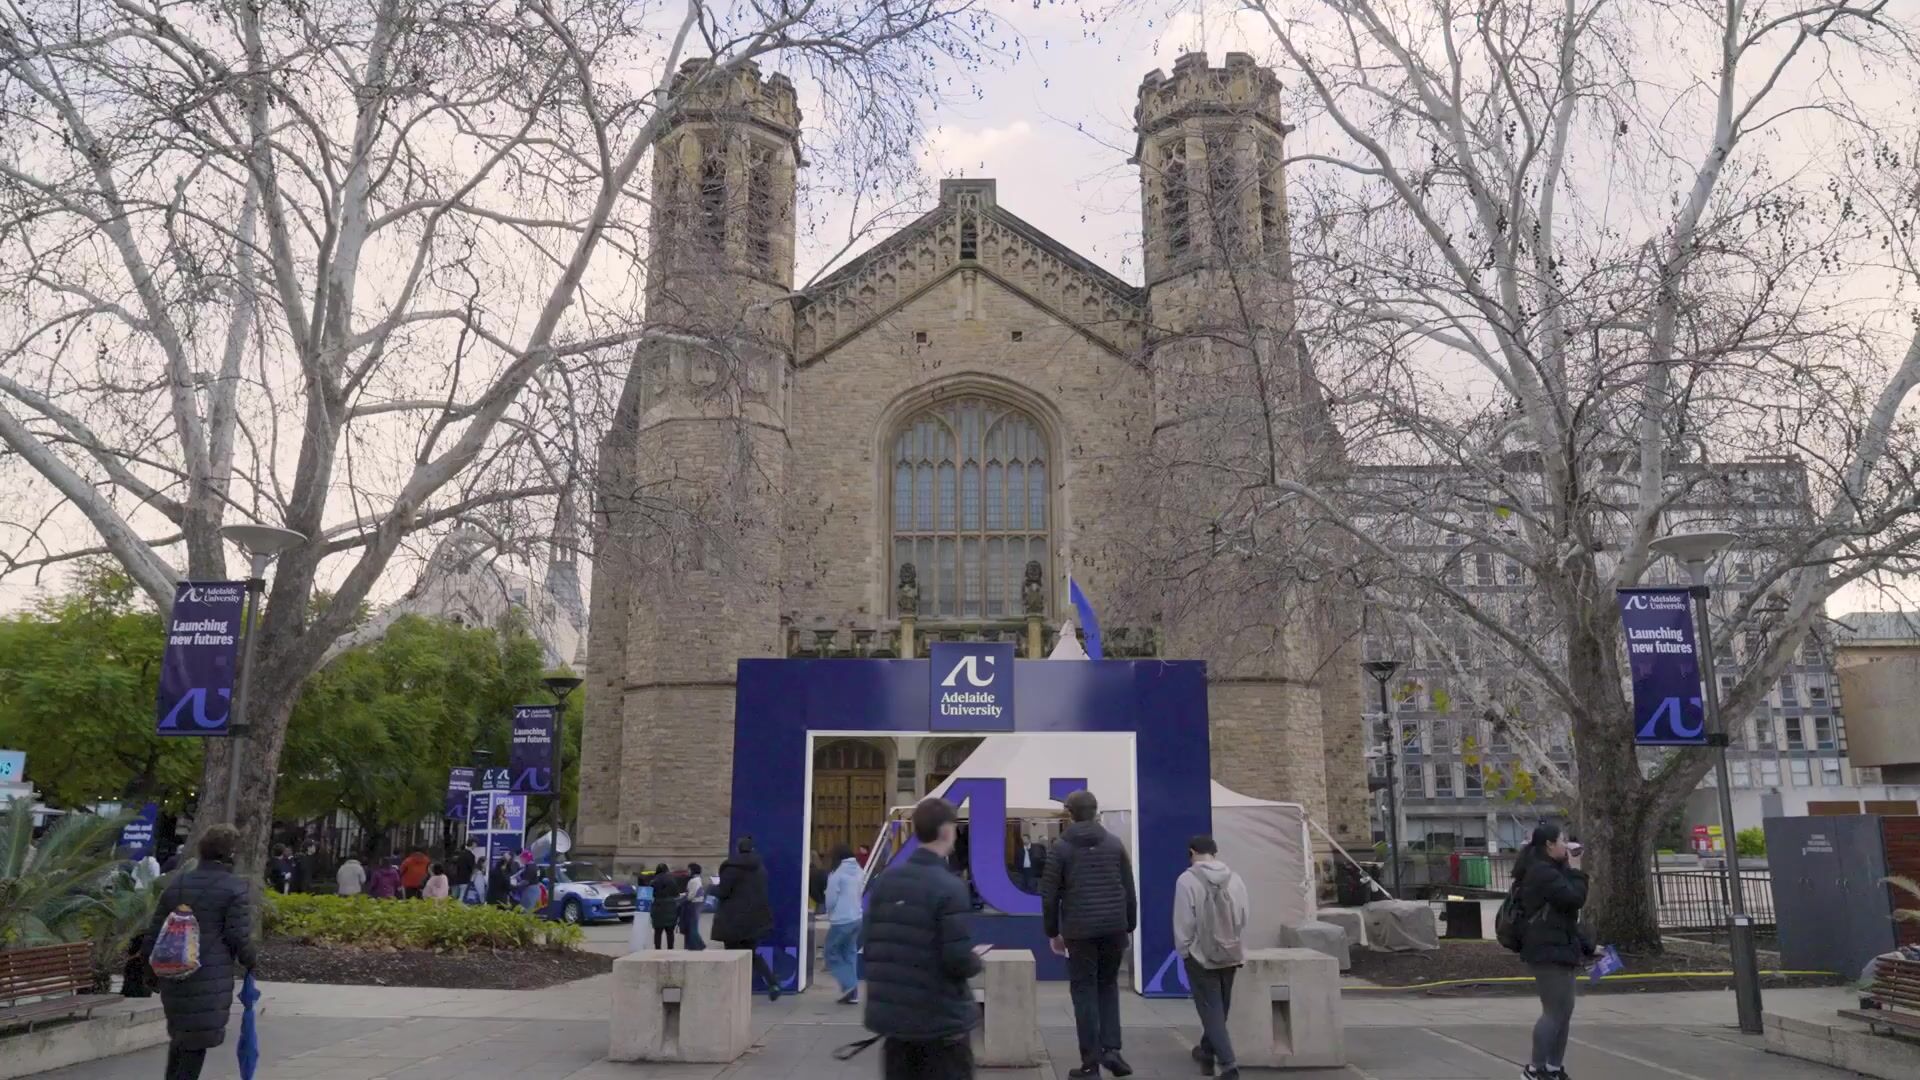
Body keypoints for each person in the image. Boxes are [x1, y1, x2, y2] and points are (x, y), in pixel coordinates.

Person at [862, 797, 981, 1079]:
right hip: (939, 1024)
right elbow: (957, 960)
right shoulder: (949, 887)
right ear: (947, 831)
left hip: (895, 1024)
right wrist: (976, 961)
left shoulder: (886, 882)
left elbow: (870, 944)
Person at [1041, 789, 1138, 1079]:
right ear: (1095, 812)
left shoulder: (1061, 848)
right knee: (1108, 987)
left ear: (1070, 814)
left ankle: (1090, 1063)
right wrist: (1129, 924)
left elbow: (1049, 895)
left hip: (1079, 931)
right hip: (1113, 928)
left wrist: (1052, 931)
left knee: (1083, 992)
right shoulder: (1114, 844)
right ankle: (1112, 1050)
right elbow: (1128, 888)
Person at [148, 824, 256, 1080]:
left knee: (181, 1040)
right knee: (195, 1045)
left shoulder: (178, 884)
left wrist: (149, 973)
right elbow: (238, 935)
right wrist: (250, 960)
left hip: (173, 974)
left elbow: (155, 932)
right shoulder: (233, 888)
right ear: (230, 854)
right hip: (209, 975)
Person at [1517, 823, 1590, 1080]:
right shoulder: (1541, 873)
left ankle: (1553, 1067)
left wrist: (1589, 947)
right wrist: (1578, 871)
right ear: (1549, 845)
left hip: (1560, 947)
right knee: (1553, 1011)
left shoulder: (1553, 871)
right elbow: (1574, 899)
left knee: (1564, 1011)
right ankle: (1535, 1069)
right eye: (1562, 840)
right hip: (1546, 951)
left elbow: (1565, 918)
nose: (1567, 846)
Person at [1173, 835, 1249, 1079]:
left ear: (1192, 852)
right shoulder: (1235, 878)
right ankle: (1206, 1050)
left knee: (1211, 1009)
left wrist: (1184, 951)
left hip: (1200, 954)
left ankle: (1228, 1064)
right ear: (1215, 853)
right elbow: (1244, 915)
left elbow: (1184, 921)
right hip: (1231, 951)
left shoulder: (1187, 879)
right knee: (1221, 1008)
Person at [712, 836, 779, 1000]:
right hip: (754, 919)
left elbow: (723, 892)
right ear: (752, 849)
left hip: (733, 919)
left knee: (731, 954)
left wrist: (711, 888)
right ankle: (772, 982)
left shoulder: (731, 868)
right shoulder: (760, 868)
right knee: (752, 953)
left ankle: (732, 989)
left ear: (738, 849)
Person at [823, 843, 864, 1003]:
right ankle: (852, 994)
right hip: (857, 918)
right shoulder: (860, 871)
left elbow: (831, 899)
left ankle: (850, 984)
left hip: (841, 919)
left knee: (830, 953)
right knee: (849, 954)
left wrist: (829, 912)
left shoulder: (837, 874)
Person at [649, 863, 682, 949]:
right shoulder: (672, 880)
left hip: (658, 907)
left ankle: (657, 949)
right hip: (670, 907)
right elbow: (677, 894)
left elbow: (650, 894)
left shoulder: (654, 880)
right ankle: (670, 949)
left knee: (658, 931)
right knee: (670, 931)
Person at [680, 862, 707, 950]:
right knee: (693, 924)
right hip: (698, 903)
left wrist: (683, 898)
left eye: (689, 869)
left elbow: (691, 895)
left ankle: (699, 944)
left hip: (693, 904)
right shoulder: (699, 880)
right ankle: (694, 945)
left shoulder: (693, 881)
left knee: (692, 926)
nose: (687, 871)